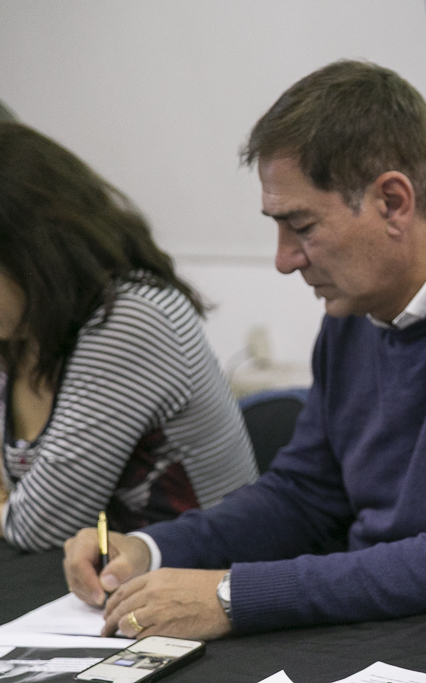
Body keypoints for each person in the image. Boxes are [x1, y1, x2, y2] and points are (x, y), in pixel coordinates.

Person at [63, 60, 426, 640]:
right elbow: (305, 495)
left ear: (392, 201)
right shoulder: (356, 307)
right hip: (378, 625)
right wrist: (150, 548)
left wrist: (234, 595)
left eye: (301, 226)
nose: (283, 259)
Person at [0, 123, 258, 553]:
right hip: (93, 577)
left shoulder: (131, 317)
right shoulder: (24, 329)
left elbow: (40, 527)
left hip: (197, 574)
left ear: (37, 252)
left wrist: (12, 507)